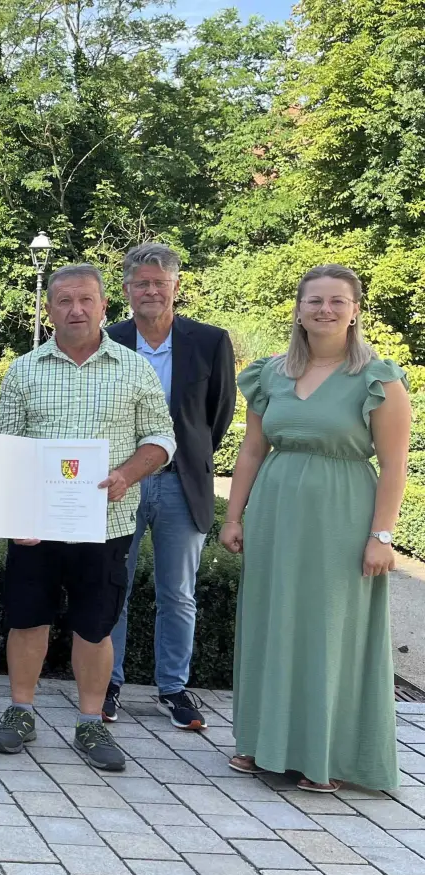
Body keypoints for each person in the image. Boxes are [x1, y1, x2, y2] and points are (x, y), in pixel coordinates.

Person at [223, 264, 410, 793]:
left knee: (331, 631)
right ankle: (264, 743)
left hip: (342, 517)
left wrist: (382, 536)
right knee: (271, 621)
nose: (325, 310)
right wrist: (234, 516)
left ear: (355, 311)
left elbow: (395, 465)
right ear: (299, 310)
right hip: (275, 513)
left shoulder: (379, 378)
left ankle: (322, 756)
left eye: (337, 301)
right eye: (315, 301)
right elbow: (253, 450)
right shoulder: (271, 373)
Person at [0, 264, 175, 772]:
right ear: (49, 310)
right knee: (27, 620)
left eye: (85, 300)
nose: (76, 309)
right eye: (64, 301)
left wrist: (126, 475)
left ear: (103, 306)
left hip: (106, 525)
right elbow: (8, 450)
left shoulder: (134, 368)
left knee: (95, 627)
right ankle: (21, 712)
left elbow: (161, 439)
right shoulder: (25, 370)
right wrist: (12, 517)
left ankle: (90, 722)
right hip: (36, 527)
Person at [105, 243, 236, 729]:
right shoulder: (109, 340)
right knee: (112, 585)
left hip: (182, 484)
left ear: (175, 286)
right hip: (120, 482)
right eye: (142, 283)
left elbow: (217, 417)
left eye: (160, 282)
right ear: (126, 290)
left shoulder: (209, 341)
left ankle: (174, 688)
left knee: (178, 592)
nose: (151, 291)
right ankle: (108, 683)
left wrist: (185, 459)